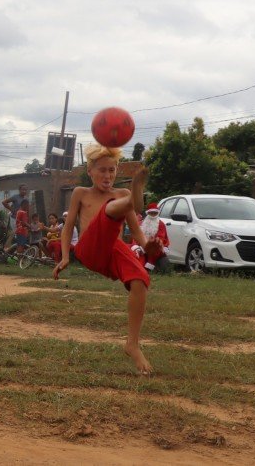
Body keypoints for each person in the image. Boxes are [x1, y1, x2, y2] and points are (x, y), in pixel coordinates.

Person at [53, 144, 160, 375]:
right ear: (90, 171)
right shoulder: (80, 193)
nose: (107, 175)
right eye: (102, 170)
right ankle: (134, 203)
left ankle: (132, 344)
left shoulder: (121, 193)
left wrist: (147, 246)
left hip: (113, 248)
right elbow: (68, 226)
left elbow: (137, 232)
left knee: (140, 281)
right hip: (88, 249)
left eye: (112, 170)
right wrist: (64, 256)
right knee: (110, 209)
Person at [132, 202, 170, 273]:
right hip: (142, 246)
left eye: (155, 213)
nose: (153, 215)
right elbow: (137, 235)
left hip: (155, 246)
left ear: (157, 213)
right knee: (136, 252)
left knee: (154, 252)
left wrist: (149, 245)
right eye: (151, 213)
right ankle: (139, 269)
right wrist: (136, 246)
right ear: (148, 213)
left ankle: (149, 266)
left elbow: (161, 237)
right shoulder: (142, 223)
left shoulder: (160, 224)